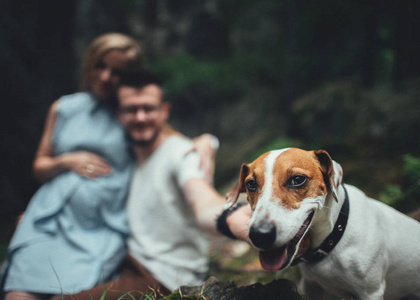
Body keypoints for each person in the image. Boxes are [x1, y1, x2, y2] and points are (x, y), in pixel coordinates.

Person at [0, 33, 218, 300]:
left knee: (66, 296)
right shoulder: (64, 107)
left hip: (100, 229)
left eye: (117, 72)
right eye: (100, 66)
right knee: (17, 295)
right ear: (89, 64)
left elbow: (171, 141)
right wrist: (66, 161)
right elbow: (39, 166)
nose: (105, 76)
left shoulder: (131, 114)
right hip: (51, 218)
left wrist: (208, 142)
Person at [52, 69, 251, 299]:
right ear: (119, 115)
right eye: (131, 110)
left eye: (148, 108)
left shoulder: (182, 153)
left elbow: (203, 201)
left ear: (164, 111)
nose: (140, 117)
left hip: (164, 278)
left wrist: (233, 217)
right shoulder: (124, 159)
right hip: (122, 262)